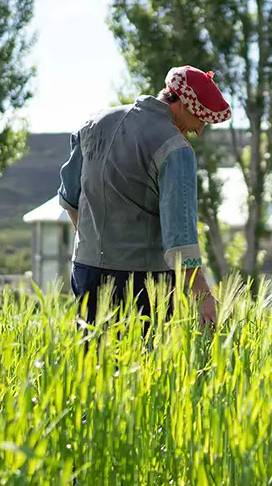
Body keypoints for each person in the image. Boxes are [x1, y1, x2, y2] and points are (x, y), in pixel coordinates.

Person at [56, 65, 231, 333]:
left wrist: (94, 241)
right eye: (201, 119)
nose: (200, 129)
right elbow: (180, 235)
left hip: (86, 270)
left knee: (92, 367)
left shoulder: (93, 123)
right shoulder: (175, 147)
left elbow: (69, 197)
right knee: (142, 368)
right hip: (143, 280)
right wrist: (204, 295)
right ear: (182, 104)